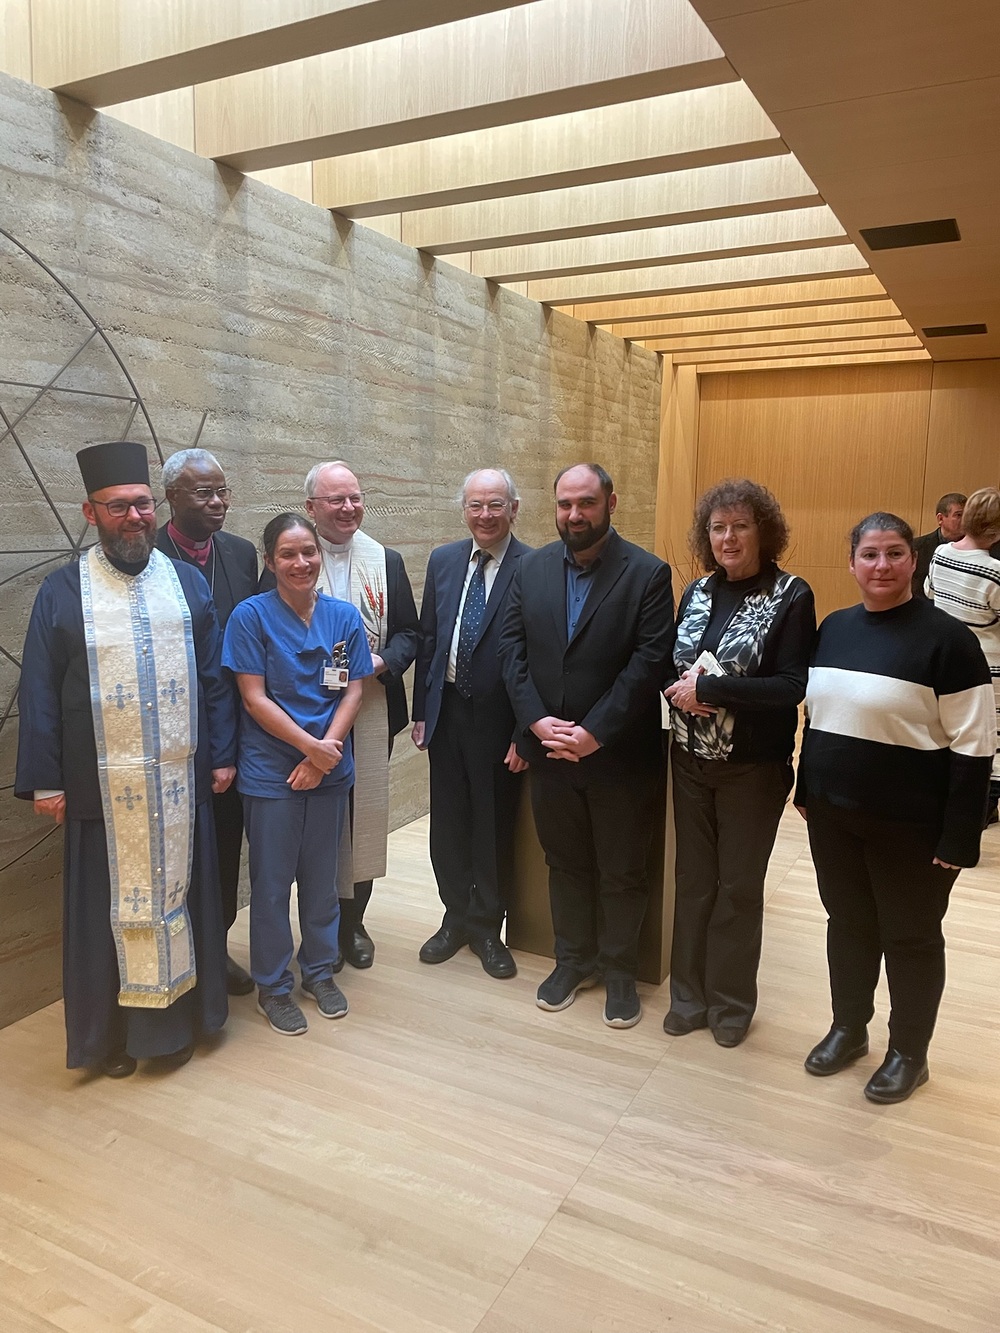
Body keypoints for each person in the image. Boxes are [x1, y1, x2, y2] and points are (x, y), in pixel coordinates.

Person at [15, 440, 236, 1078]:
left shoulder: (186, 583)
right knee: (105, 913)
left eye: (142, 504)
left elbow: (215, 678)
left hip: (180, 784)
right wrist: (45, 781)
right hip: (99, 792)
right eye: (118, 507)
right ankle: (108, 1039)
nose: (134, 517)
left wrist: (221, 754)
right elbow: (39, 687)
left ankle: (180, 1025)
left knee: (182, 901)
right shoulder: (63, 591)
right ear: (91, 513)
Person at [796, 512, 995, 1104]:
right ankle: (848, 1029)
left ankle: (909, 1052)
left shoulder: (949, 641)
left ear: (915, 561)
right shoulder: (834, 628)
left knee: (910, 938)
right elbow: (820, 716)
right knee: (847, 925)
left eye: (894, 554)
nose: (881, 566)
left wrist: (960, 837)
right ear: (852, 562)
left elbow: (975, 745)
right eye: (870, 554)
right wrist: (807, 788)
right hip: (834, 817)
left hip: (911, 826)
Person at [499, 463, 674, 1029]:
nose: (574, 515)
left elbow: (649, 662)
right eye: (565, 504)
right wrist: (536, 721)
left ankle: (621, 972)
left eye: (586, 503)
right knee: (565, 862)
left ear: (610, 504)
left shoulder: (648, 573)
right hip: (550, 751)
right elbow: (511, 651)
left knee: (623, 870)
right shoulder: (530, 569)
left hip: (619, 754)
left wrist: (595, 732)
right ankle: (573, 960)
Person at [663, 479, 815, 1048]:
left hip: (752, 767)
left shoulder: (791, 595)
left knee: (738, 888)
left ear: (763, 532)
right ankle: (688, 997)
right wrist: (682, 688)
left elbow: (792, 686)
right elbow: (673, 663)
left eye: (740, 526)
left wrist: (712, 689)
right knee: (693, 882)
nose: (728, 538)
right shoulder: (697, 590)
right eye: (718, 527)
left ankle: (730, 1003)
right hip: (688, 759)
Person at [261, 461, 418, 970]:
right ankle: (316, 927)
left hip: (367, 708)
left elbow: (411, 633)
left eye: (355, 497)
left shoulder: (385, 560)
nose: (349, 508)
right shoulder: (291, 559)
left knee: (361, 819)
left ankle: (353, 924)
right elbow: (266, 631)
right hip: (303, 718)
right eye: (336, 500)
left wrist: (381, 661)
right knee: (316, 825)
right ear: (311, 507)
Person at [223, 514, 373, 1035]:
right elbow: (253, 697)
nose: (301, 562)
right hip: (273, 774)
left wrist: (323, 756)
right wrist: (310, 750)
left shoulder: (343, 616)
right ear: (270, 561)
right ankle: (273, 985)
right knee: (270, 886)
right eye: (288, 554)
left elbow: (354, 688)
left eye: (308, 551)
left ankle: (319, 970)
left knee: (322, 880)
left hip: (329, 768)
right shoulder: (250, 617)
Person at [411, 468, 530, 979]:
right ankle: (455, 917)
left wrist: (525, 732)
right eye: (476, 505)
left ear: (514, 509)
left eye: (495, 504)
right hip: (448, 713)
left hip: (500, 722)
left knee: (492, 827)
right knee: (449, 825)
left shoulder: (533, 566)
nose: (485, 515)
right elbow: (429, 639)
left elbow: (538, 657)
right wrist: (421, 711)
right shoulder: (444, 559)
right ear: (464, 510)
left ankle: (487, 927)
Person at [156, 447, 259, 996]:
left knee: (223, 847)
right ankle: (173, 961)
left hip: (232, 733)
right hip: (166, 733)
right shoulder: (147, 554)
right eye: (204, 492)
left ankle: (215, 951)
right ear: (172, 496)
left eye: (222, 491)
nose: (218, 502)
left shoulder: (240, 554)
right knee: (173, 855)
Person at [925, 486, 1000, 825]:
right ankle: (983, 809)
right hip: (989, 667)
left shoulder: (940, 554)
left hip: (946, 660)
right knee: (988, 739)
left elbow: (930, 593)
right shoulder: (993, 571)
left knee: (952, 732)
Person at [911, 492, 966, 597]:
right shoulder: (917, 547)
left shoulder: (975, 549)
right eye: (959, 515)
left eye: (967, 515)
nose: (965, 520)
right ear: (940, 519)